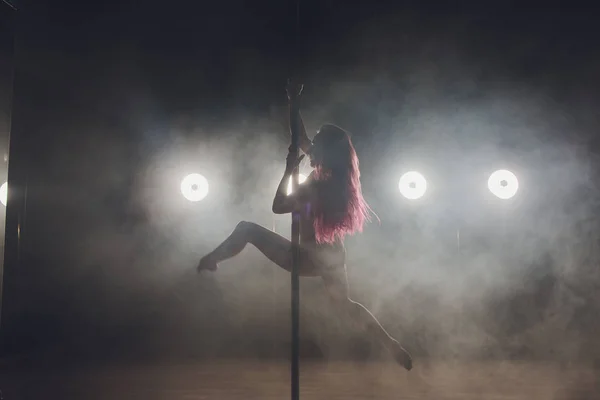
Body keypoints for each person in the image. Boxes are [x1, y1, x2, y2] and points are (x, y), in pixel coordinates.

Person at [197, 83, 413, 370]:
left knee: (246, 229)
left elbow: (278, 206)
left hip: (308, 256)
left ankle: (213, 259)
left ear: (325, 150)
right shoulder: (332, 175)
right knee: (344, 304)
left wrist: (289, 169)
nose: (311, 145)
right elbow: (299, 136)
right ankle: (391, 344)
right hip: (333, 255)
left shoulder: (320, 184)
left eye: (318, 141)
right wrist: (293, 104)